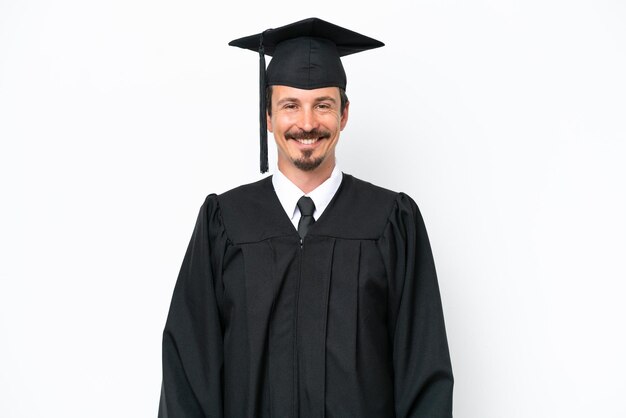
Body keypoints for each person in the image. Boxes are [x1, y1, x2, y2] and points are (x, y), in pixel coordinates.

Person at [158, 17, 453, 417]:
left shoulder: (391, 222)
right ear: (268, 116)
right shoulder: (225, 223)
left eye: (323, 105)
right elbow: (187, 376)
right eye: (290, 105)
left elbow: (424, 374)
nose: (307, 123)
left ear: (344, 114)